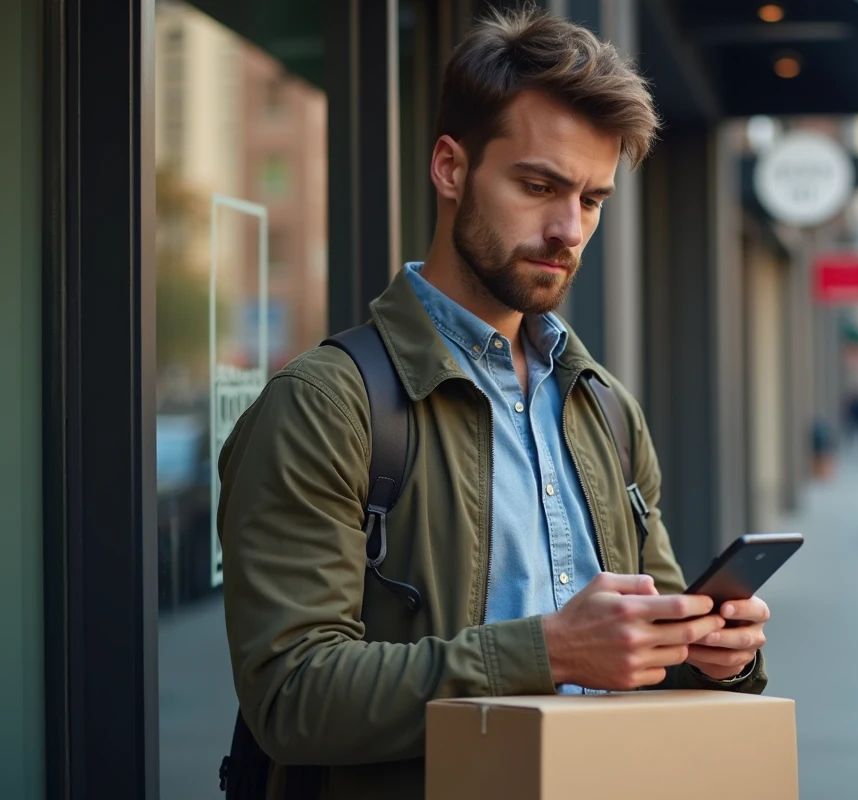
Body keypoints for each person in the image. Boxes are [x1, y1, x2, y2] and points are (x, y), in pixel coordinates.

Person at [216, 8, 769, 798]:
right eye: (538, 185)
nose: (568, 228)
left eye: (592, 199)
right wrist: (549, 653)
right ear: (450, 167)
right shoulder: (326, 406)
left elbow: (645, 652)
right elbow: (292, 695)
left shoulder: (604, 408)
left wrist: (718, 652)